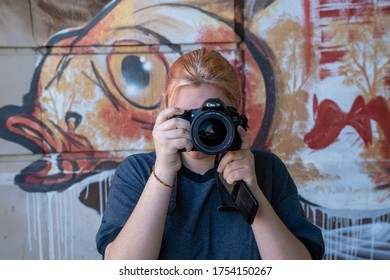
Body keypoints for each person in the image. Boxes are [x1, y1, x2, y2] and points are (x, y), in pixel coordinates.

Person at [96, 48, 325, 260]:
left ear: (235, 111)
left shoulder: (266, 169)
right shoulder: (138, 172)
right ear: (166, 109)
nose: (200, 128)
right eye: (187, 115)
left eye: (210, 115)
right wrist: (163, 172)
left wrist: (251, 190)